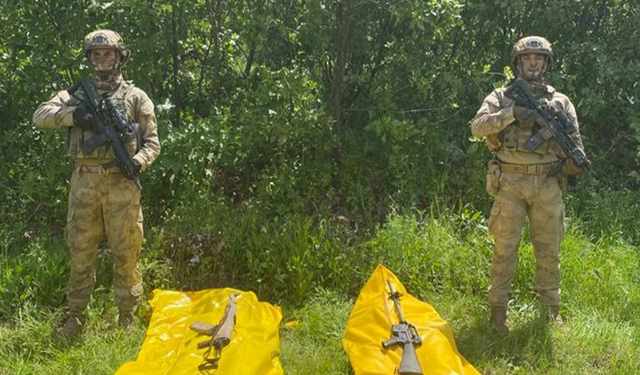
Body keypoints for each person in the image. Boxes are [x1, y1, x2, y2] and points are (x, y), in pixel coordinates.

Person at [33, 30, 161, 337]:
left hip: (122, 184)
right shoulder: (75, 95)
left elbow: (153, 143)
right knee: (81, 251)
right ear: (90, 58)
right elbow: (41, 115)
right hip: (84, 184)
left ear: (118, 56)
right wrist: (74, 117)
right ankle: (75, 317)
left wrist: (138, 162)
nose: (102, 59)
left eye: (108, 54)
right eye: (96, 54)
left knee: (127, 251)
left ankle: (127, 317)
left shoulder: (135, 96)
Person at [470, 36, 585, 333]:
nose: (533, 63)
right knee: (504, 249)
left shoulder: (560, 102)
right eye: (527, 58)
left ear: (546, 63)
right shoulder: (501, 96)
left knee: (549, 251)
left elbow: (575, 144)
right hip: (509, 182)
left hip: (547, 183)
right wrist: (511, 114)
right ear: (518, 63)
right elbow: (477, 127)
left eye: (538, 58)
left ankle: (550, 312)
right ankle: (497, 313)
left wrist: (574, 161)